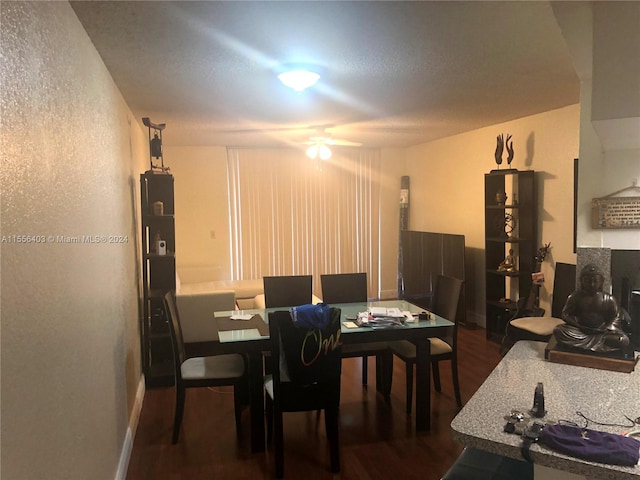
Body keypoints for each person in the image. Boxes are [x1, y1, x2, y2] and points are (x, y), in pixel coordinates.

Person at [553, 264, 630, 352]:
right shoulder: (575, 296)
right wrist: (578, 325)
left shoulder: (609, 298)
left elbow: (616, 317)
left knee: (622, 340)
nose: (592, 284)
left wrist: (605, 328)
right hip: (581, 330)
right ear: (581, 281)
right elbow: (565, 314)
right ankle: (594, 344)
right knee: (559, 330)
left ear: (601, 281)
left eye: (595, 281)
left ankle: (591, 343)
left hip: (602, 331)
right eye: (588, 281)